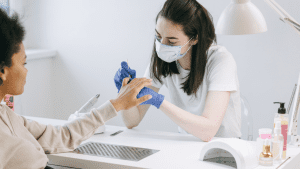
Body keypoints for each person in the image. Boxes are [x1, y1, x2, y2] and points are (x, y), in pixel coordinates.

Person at [0, 9, 153, 169]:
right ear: (3, 70)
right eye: (24, 63)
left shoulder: (8, 117)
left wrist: (116, 105)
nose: (26, 71)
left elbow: (62, 136)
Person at [114, 0, 241, 141]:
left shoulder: (220, 60)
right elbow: (132, 121)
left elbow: (208, 130)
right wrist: (125, 92)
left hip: (225, 146)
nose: (162, 46)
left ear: (194, 38)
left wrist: (159, 101)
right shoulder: (162, 61)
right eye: (158, 36)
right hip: (187, 143)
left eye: (171, 42)